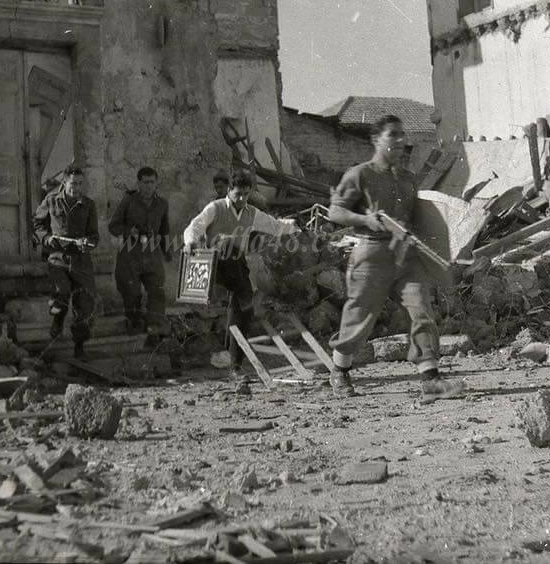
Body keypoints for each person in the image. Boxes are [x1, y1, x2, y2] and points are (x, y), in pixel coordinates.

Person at [325, 115, 465, 398]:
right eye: (393, 135)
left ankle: (430, 379)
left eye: (402, 134)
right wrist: (365, 219)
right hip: (371, 254)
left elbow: (420, 219)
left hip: (405, 256)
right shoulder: (359, 174)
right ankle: (339, 371)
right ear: (376, 140)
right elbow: (335, 212)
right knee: (359, 316)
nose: (401, 140)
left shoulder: (408, 179)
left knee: (421, 310)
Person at [183, 170, 299, 377]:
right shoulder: (216, 207)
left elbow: (274, 225)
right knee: (228, 244)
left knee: (243, 311)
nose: (242, 199)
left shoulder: (251, 212)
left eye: (246, 194)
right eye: (238, 194)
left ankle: (234, 363)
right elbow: (196, 225)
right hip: (215, 265)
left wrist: (293, 227)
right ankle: (244, 296)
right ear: (229, 190)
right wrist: (191, 241)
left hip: (237, 268)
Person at [32, 166, 99, 358]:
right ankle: (58, 320)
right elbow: (36, 224)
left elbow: (94, 236)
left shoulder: (88, 205)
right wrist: (46, 239)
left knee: (84, 305)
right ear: (64, 182)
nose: (76, 188)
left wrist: (87, 243)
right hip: (58, 258)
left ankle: (79, 347)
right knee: (61, 292)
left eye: (80, 184)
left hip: (81, 261)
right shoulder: (51, 200)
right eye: (73, 183)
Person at [108, 166, 172, 336]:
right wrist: (130, 232)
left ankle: (154, 327)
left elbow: (164, 230)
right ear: (138, 183)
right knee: (132, 293)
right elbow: (113, 226)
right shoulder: (128, 201)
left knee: (157, 290)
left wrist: (167, 251)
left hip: (152, 255)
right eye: (145, 182)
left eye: (152, 182)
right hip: (130, 256)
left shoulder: (162, 204)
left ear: (156, 183)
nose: (148, 186)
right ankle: (134, 321)